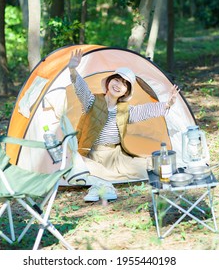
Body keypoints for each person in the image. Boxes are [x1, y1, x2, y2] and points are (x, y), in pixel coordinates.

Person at [68, 49, 180, 202]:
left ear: (126, 92)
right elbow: (81, 90)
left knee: (149, 169)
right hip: (92, 155)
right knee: (77, 168)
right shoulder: (92, 101)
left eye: (124, 84)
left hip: (115, 156)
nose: (119, 85)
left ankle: (100, 183)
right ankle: (102, 184)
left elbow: (145, 111)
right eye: (117, 80)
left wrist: (167, 104)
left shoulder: (124, 110)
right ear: (109, 82)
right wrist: (73, 70)